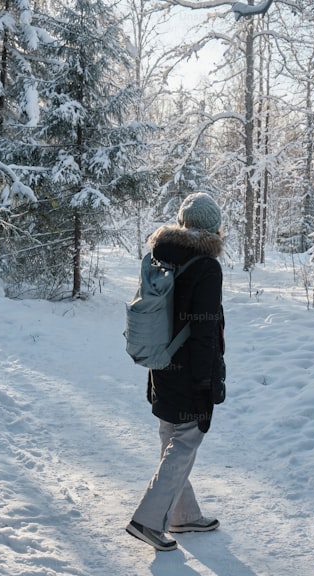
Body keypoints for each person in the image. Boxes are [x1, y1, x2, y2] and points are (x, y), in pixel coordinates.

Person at [126, 192, 226, 551]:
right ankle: (148, 521)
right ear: (211, 227)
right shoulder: (206, 267)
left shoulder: (162, 255)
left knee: (172, 437)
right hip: (188, 371)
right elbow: (204, 331)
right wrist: (206, 381)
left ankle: (184, 514)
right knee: (185, 441)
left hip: (161, 362)